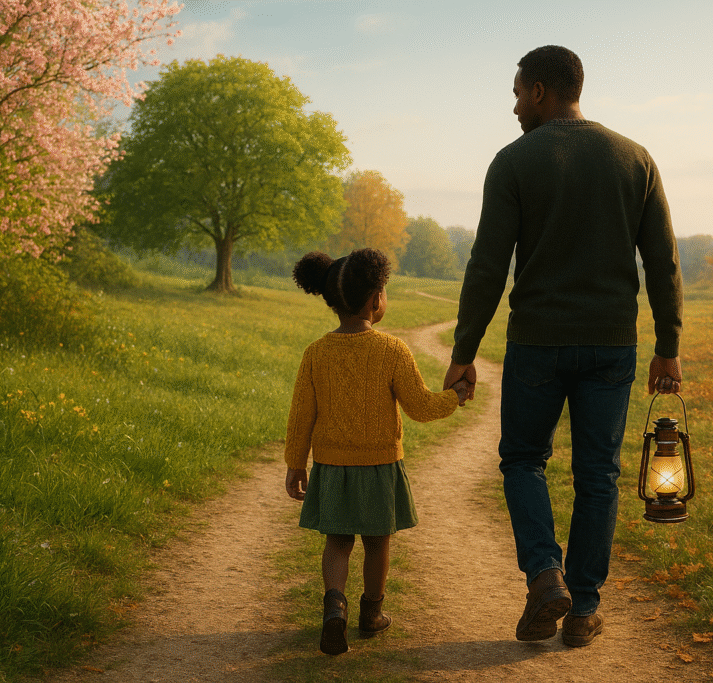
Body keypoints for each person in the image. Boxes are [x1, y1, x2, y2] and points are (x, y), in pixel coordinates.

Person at [443, 45, 683, 648]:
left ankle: (546, 577)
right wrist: (668, 345)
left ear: (543, 92)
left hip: (537, 345)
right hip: (611, 346)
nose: (515, 105)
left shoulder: (514, 162)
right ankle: (585, 609)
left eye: (519, 91)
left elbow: (488, 265)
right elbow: (663, 262)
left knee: (523, 461)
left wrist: (464, 349)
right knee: (597, 474)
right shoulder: (635, 158)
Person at [284, 247, 469, 656]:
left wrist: (296, 464)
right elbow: (420, 407)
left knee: (337, 542)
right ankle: (371, 613)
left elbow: (301, 416)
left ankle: (335, 606)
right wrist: (454, 397)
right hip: (380, 464)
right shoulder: (391, 350)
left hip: (332, 465)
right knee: (377, 543)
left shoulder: (315, 353)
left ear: (333, 300)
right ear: (375, 300)